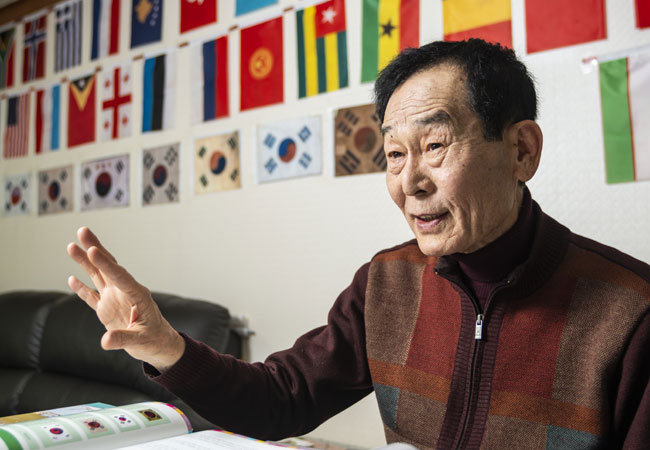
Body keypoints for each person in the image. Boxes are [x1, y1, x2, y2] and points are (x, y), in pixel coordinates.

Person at [67, 39, 650, 449]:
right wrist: (165, 346)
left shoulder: (632, 312)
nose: (409, 182)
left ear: (521, 150)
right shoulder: (386, 284)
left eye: (435, 145)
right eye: (394, 154)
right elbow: (280, 399)